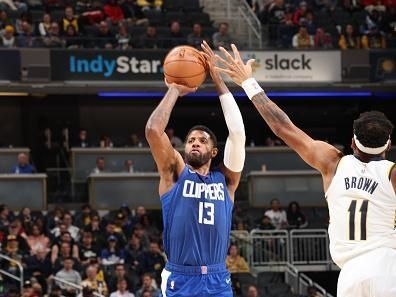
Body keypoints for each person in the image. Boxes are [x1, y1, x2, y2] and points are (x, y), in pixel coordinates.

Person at [216, 43, 396, 297]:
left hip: (350, 275)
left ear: (353, 141)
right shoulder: (392, 173)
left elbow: (282, 127)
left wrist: (248, 82)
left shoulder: (332, 162)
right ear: (388, 144)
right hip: (388, 267)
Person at [145, 40, 246, 296]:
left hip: (217, 277)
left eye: (202, 140)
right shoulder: (175, 173)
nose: (195, 143)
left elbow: (237, 133)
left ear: (213, 151)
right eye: (190, 140)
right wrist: (174, 90)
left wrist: (217, 79)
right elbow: (153, 131)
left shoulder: (226, 181)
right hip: (181, 277)